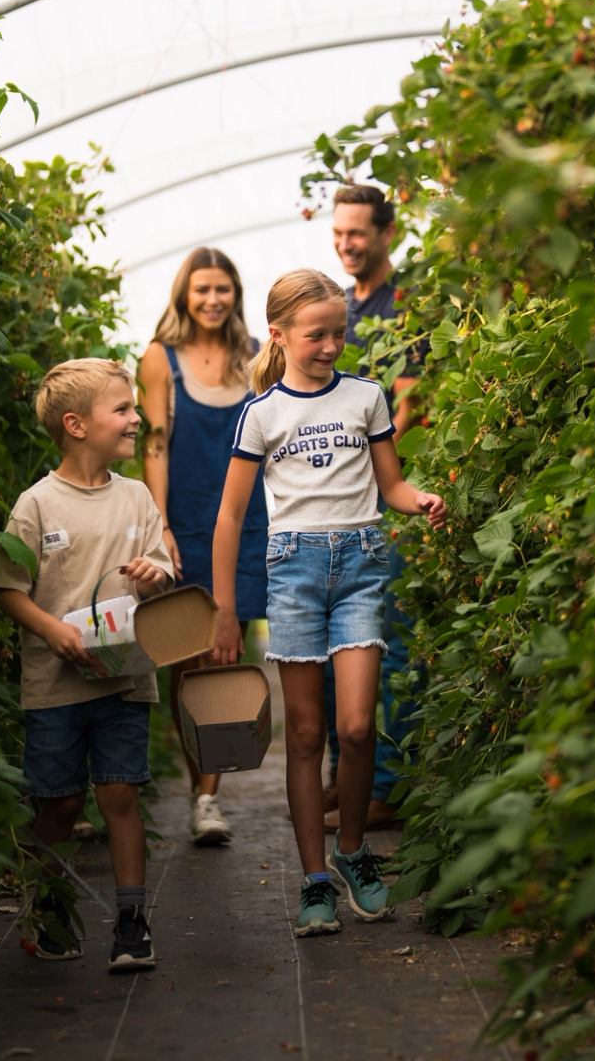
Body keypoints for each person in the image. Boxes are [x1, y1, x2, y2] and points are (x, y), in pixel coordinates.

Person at [208, 269, 447, 936]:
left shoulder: (366, 398)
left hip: (363, 566)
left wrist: (418, 499)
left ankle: (353, 855)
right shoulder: (263, 415)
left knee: (358, 725)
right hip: (294, 573)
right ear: (280, 335)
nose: (332, 345)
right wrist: (226, 609)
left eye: (339, 331)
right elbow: (230, 518)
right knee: (308, 734)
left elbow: (390, 485)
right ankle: (315, 880)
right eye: (318, 335)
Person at [0, 358, 176, 972]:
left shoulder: (137, 496)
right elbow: (6, 586)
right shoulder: (36, 505)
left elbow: (163, 570)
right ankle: (49, 902)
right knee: (60, 804)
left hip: (125, 678)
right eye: (121, 409)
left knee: (120, 794)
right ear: (76, 424)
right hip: (55, 685)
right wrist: (51, 630)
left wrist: (155, 575)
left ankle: (131, 922)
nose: (135, 418)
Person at [137, 247, 270, 847]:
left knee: (227, 654)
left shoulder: (255, 357)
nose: (213, 300)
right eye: (202, 290)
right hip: (187, 523)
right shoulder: (159, 359)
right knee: (189, 662)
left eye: (223, 289)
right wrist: (159, 521)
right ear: (184, 295)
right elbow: (156, 446)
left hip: (248, 524)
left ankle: (211, 796)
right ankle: (200, 790)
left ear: (235, 294)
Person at [322, 184, 424, 832]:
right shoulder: (343, 306)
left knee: (391, 644)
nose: (346, 243)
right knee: (341, 641)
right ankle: (349, 775)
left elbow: (412, 405)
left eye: (357, 233)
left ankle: (393, 786)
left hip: (387, 499)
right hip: (340, 500)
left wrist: (369, 466)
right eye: (338, 233)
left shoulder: (405, 304)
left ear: (387, 231)